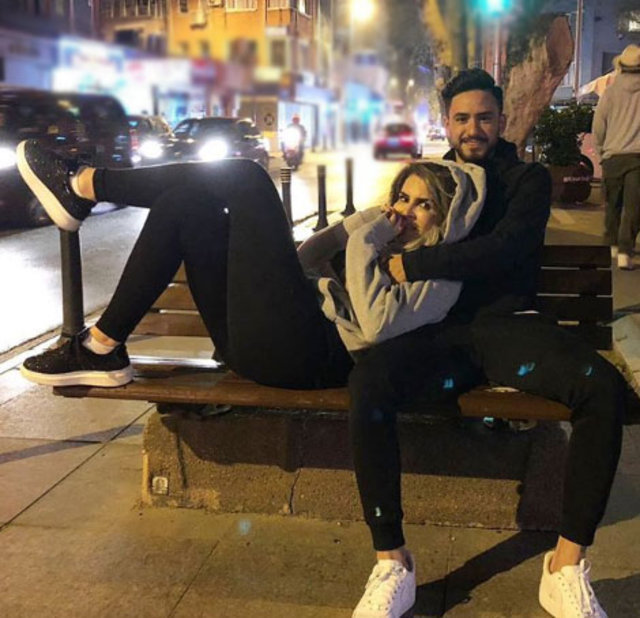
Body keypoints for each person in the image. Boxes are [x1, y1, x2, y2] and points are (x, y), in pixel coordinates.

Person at [349, 69, 625, 618]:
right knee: (369, 385)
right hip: (439, 333)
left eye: (483, 117)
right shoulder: (435, 180)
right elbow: (386, 231)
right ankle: (392, 561)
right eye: (461, 118)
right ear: (447, 122)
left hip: (509, 328)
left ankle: (565, 565)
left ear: (501, 120)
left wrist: (416, 264)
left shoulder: (526, 180)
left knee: (602, 391)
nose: (472, 128)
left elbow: (506, 248)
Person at [16, 141, 483, 394]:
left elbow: (377, 325)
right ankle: (101, 347)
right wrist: (360, 223)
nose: (407, 211)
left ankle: (84, 186)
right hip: (254, 342)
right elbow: (306, 258)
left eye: (424, 205)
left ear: (445, 217)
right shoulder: (381, 236)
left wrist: (367, 240)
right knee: (186, 204)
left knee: (248, 178)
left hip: (308, 358)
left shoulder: (441, 276)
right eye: (403, 197)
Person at [593, 43, 640, 271]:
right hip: (638, 159)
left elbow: (598, 126)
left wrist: (601, 152)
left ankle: (610, 244)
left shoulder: (610, 92)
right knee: (634, 208)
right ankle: (624, 251)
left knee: (612, 204)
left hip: (612, 156)